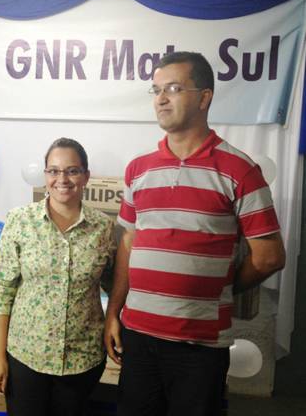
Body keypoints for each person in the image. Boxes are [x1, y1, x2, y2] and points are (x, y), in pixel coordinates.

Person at [104, 51, 286, 416]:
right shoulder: (138, 169)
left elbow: (269, 257)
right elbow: (129, 242)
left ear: (204, 98)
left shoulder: (239, 170)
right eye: (156, 89)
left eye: (173, 88)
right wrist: (114, 312)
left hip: (198, 346)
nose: (161, 98)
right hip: (138, 335)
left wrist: (215, 287)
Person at [0, 137, 116, 416]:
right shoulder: (20, 220)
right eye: (54, 171)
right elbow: (2, 292)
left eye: (72, 171)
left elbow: (114, 285)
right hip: (26, 356)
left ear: (86, 176)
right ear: (45, 175)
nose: (62, 179)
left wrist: (113, 320)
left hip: (82, 359)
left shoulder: (103, 227)